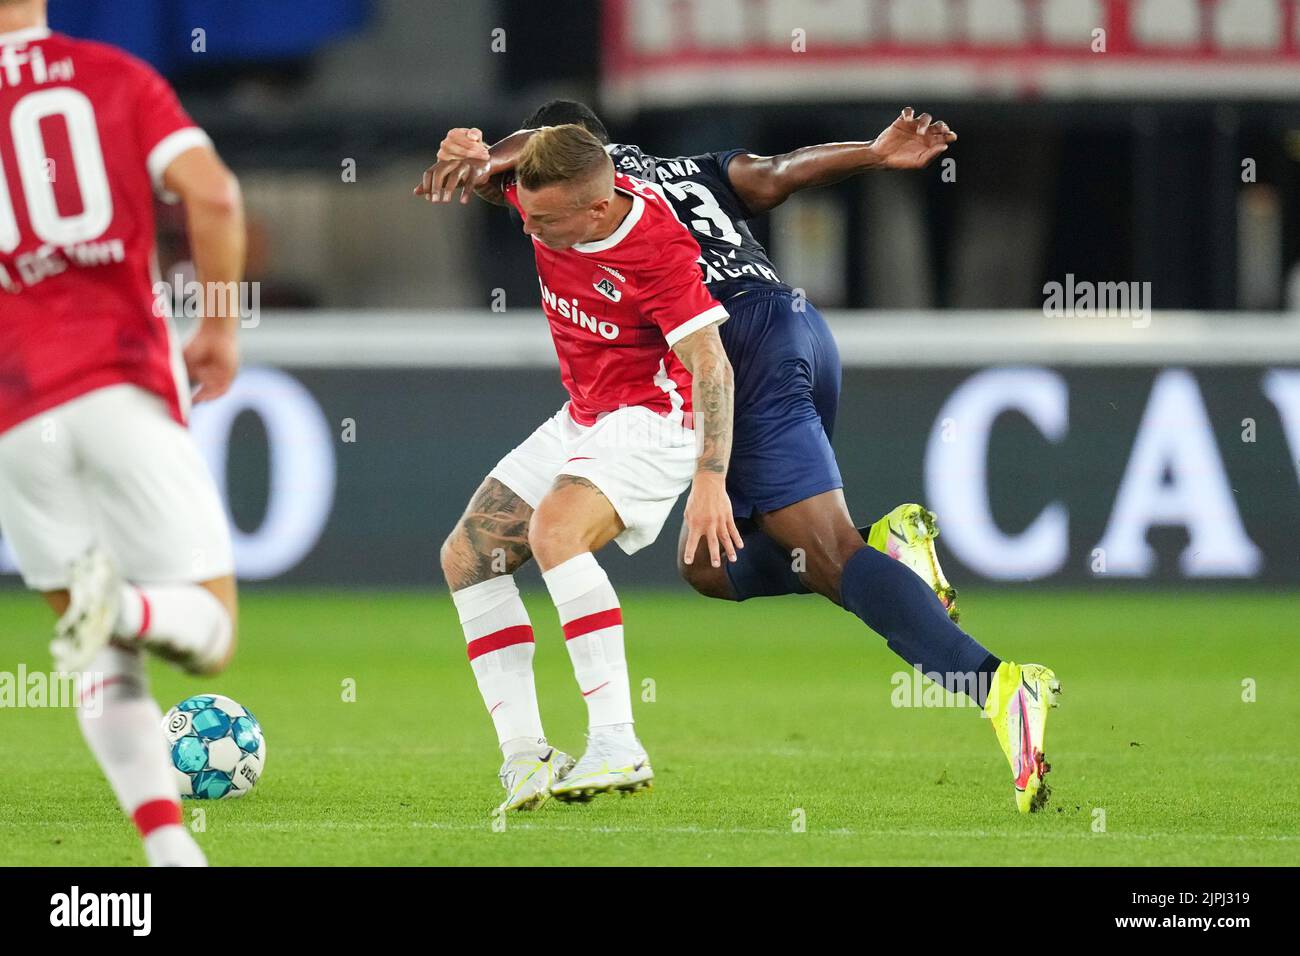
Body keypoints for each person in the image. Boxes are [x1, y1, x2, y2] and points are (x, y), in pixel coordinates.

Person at [421, 105, 1062, 814]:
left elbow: (522, 157)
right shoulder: (680, 173)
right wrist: (873, 155)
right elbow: (776, 173)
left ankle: (996, 684)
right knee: (709, 566)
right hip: (798, 323)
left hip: (733, 348)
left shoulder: (614, 204)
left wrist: (484, 151)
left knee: (829, 554)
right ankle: (888, 547)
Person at [426, 124, 741, 813]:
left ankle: (617, 741)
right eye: (525, 212)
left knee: (555, 531)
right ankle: (526, 756)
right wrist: (469, 157)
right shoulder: (551, 202)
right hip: (588, 413)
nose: (529, 226)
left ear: (596, 210)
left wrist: (711, 478)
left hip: (659, 417)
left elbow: (712, 365)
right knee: (468, 556)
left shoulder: (655, 249)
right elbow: (513, 168)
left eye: (543, 219)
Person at [0, 0, 246, 862]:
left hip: (13, 413)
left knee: (99, 650)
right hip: (119, 381)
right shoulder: (112, 76)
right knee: (209, 636)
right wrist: (218, 324)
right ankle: (133, 602)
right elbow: (213, 193)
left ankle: (169, 850)